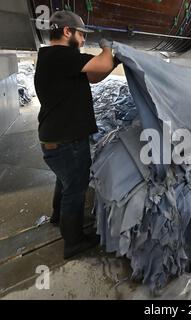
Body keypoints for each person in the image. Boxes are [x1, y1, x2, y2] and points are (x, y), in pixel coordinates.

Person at [34, 10, 120, 259]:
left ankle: (58, 217)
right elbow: (101, 63)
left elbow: (94, 76)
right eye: (82, 35)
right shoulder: (62, 55)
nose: (83, 40)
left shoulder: (55, 59)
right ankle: (73, 242)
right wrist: (107, 48)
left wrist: (114, 62)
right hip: (66, 142)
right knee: (76, 187)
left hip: (56, 140)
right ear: (67, 31)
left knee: (65, 181)